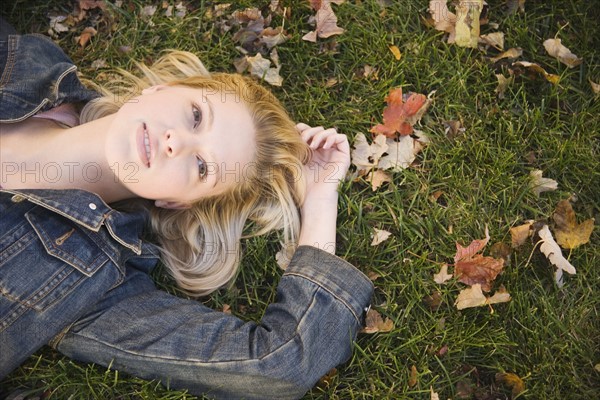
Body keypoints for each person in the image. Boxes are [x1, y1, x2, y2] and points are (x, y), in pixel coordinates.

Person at [0, 16, 373, 399]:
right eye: (196, 116)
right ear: (162, 89)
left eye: (201, 167)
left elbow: (282, 362)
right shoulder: (23, 64)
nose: (175, 142)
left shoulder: (90, 281)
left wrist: (321, 199)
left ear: (177, 202)